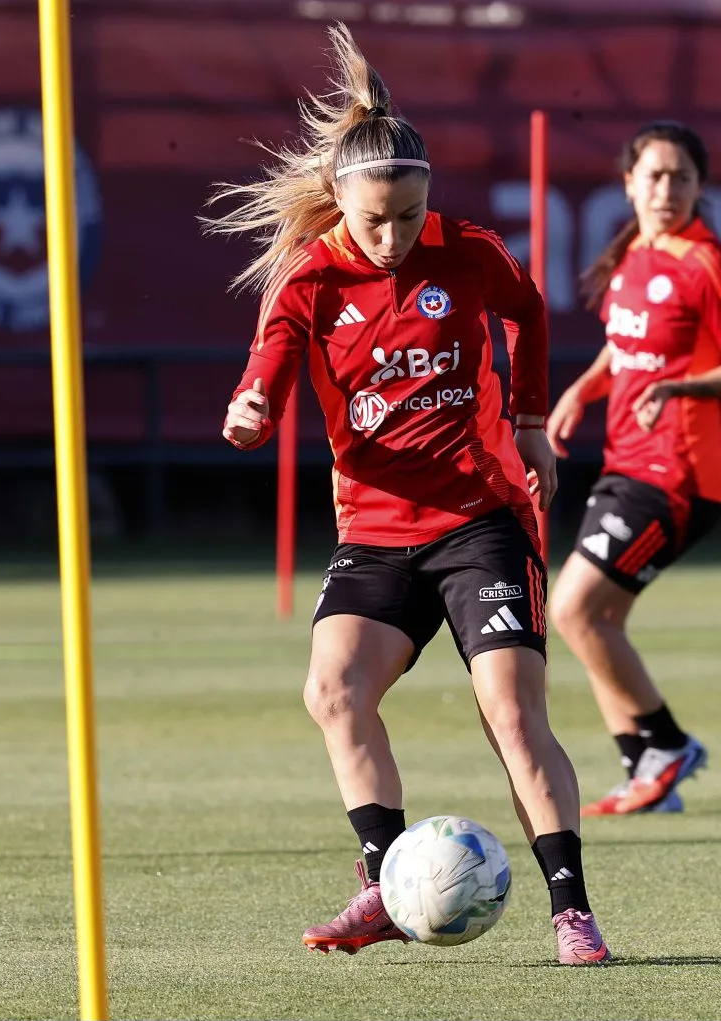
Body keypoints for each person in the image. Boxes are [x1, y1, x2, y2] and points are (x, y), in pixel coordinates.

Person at [206, 23, 610, 964]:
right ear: (340, 201)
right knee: (333, 691)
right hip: (376, 534)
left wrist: (524, 421)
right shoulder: (310, 277)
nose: (391, 237)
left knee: (512, 715)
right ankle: (387, 880)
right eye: (373, 219)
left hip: (481, 523)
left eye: (408, 214)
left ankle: (571, 912)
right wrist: (251, 410)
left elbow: (531, 313)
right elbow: (263, 376)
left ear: (428, 198)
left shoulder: (468, 252)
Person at [546, 121, 721, 817]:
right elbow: (624, 349)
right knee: (595, 620)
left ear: (701, 187)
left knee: (574, 611)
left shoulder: (708, 264)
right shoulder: (633, 256)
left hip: (678, 476)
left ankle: (667, 745)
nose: (665, 188)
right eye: (653, 175)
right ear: (628, 184)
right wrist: (580, 392)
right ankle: (645, 771)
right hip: (626, 463)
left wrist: (681, 388)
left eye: (680, 177)